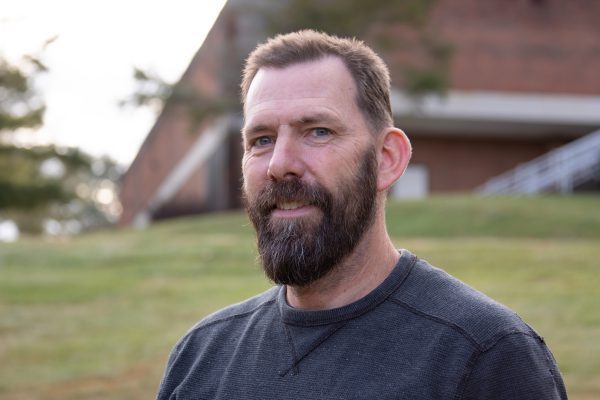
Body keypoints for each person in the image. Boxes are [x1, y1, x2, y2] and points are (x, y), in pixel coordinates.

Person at [156, 30, 567, 399]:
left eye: (318, 131)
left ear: (387, 159)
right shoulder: (201, 358)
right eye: (261, 139)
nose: (279, 164)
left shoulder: (485, 356)